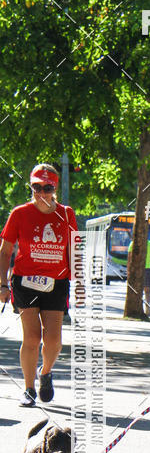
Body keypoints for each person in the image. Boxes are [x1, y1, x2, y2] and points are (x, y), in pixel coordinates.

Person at [0, 163, 78, 406]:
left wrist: (79, 282)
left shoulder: (66, 214)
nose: (42, 193)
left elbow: (74, 249)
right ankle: (28, 388)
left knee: (54, 340)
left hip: (57, 282)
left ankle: (45, 372)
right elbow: (5, 251)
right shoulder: (20, 213)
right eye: (36, 187)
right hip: (26, 282)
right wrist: (2, 284)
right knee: (32, 338)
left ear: (55, 188)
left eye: (47, 187)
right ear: (31, 187)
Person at [128, 235, 150, 317]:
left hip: (136, 269)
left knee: (136, 289)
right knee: (147, 290)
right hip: (147, 269)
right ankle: (147, 306)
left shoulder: (133, 244)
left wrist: (129, 269)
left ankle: (137, 306)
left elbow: (129, 258)